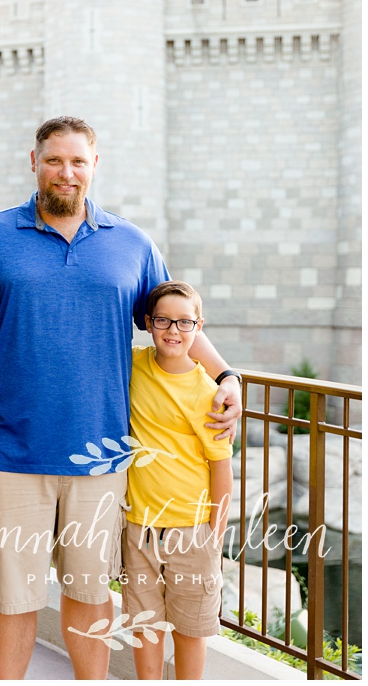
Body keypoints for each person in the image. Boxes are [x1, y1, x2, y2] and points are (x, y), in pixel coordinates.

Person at [0, 116, 242, 680]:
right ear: (34, 162)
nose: (66, 173)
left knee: (91, 596)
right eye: (54, 160)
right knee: (13, 599)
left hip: (102, 460)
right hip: (11, 457)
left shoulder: (132, 245)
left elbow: (177, 318)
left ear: (95, 166)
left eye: (77, 161)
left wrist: (227, 377)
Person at [121, 281, 232, 680]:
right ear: (148, 323)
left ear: (199, 326)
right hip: (140, 528)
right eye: (164, 321)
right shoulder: (133, 365)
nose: (173, 331)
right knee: (145, 626)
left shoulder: (209, 394)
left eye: (185, 322)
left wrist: (214, 536)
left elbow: (221, 469)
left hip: (192, 530)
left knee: (189, 630)